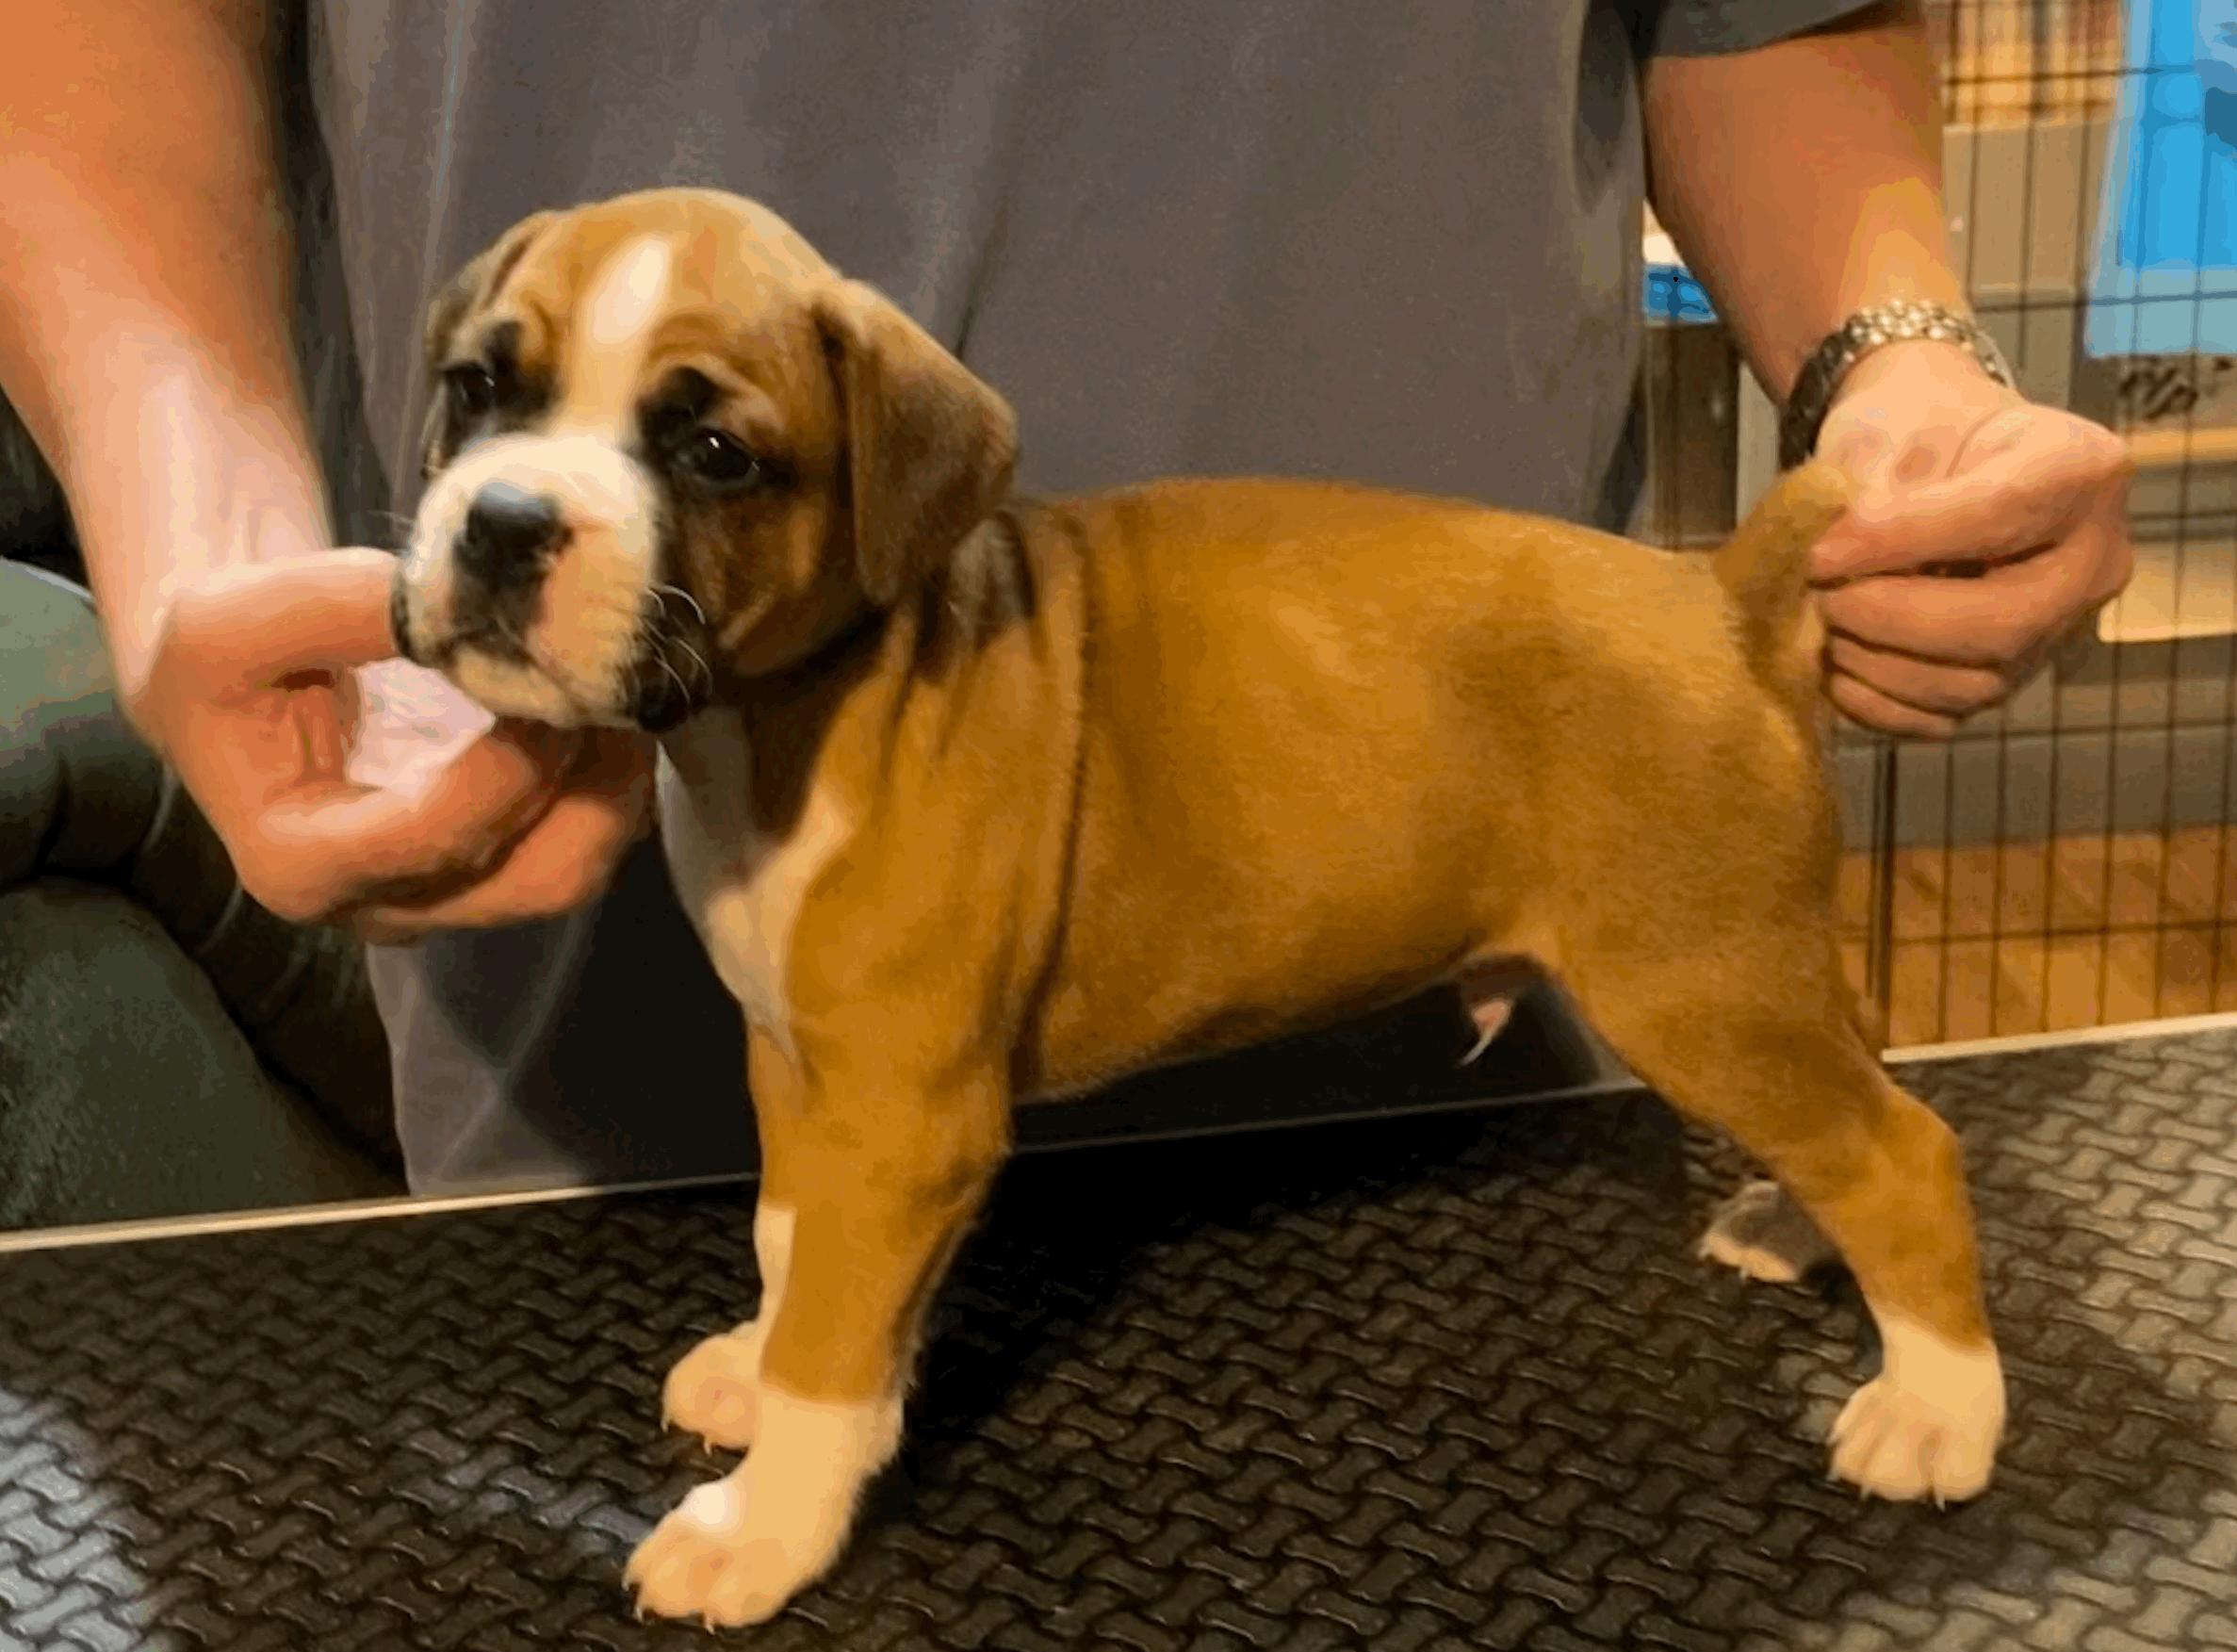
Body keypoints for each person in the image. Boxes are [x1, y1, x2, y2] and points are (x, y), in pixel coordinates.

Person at [0, 1, 2132, 1198]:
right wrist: (204, 518)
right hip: (585, 1019)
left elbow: (1761, 7)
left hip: (1484, 969)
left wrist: (1891, 362)